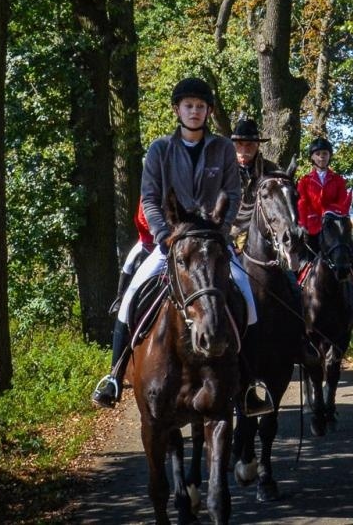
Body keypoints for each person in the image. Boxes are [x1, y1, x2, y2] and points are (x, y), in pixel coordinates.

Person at [92, 76, 259, 408]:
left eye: (200, 106)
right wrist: (162, 234)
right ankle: (114, 374)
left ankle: (250, 380)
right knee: (131, 298)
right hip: (169, 240)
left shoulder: (223, 148)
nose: (194, 112)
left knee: (247, 297)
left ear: (208, 111)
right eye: (188, 106)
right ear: (177, 110)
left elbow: (233, 193)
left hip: (211, 241)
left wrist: (220, 231)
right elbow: (150, 197)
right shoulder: (160, 150)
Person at [296, 136, 353, 328]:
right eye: (318, 154)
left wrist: (331, 214)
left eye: (325, 154)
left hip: (334, 230)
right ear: (312, 157)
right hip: (312, 230)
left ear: (329, 156)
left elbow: (342, 202)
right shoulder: (304, 181)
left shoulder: (337, 180)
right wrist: (306, 223)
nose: (322, 157)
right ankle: (293, 312)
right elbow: (302, 204)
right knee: (296, 264)